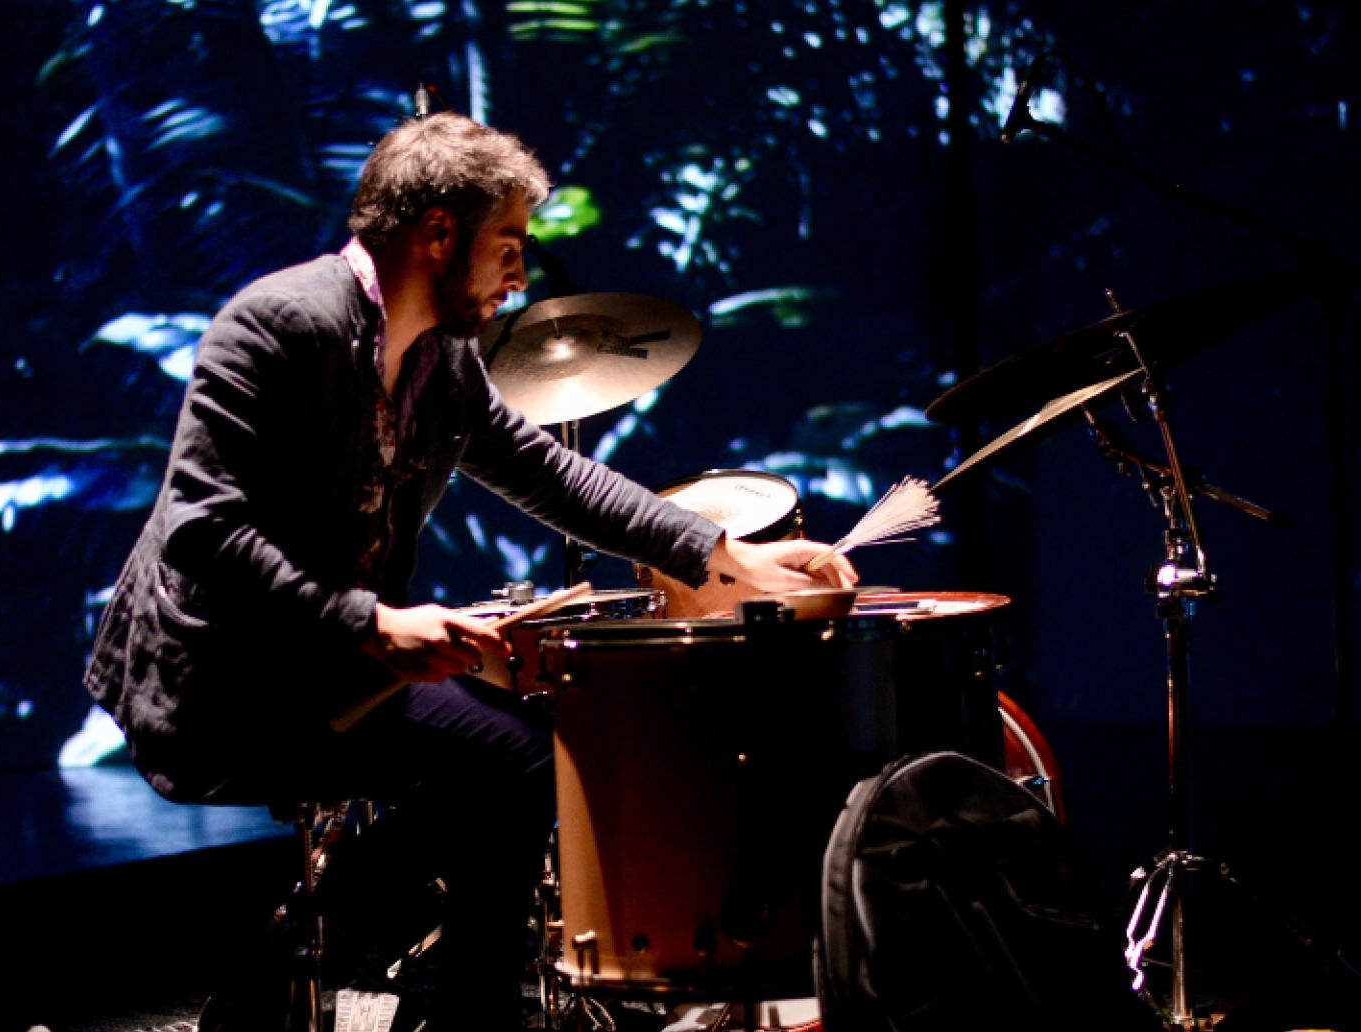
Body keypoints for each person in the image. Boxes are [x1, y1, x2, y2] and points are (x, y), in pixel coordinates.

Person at [84, 113, 856, 1030]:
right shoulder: (279, 324)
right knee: (505, 767)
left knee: (524, 760)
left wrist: (728, 556)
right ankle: (337, 964)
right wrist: (373, 624)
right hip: (222, 688)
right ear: (439, 233)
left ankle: (400, 985)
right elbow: (202, 532)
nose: (520, 275)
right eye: (509, 245)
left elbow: (551, 474)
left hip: (330, 666)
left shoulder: (441, 363)